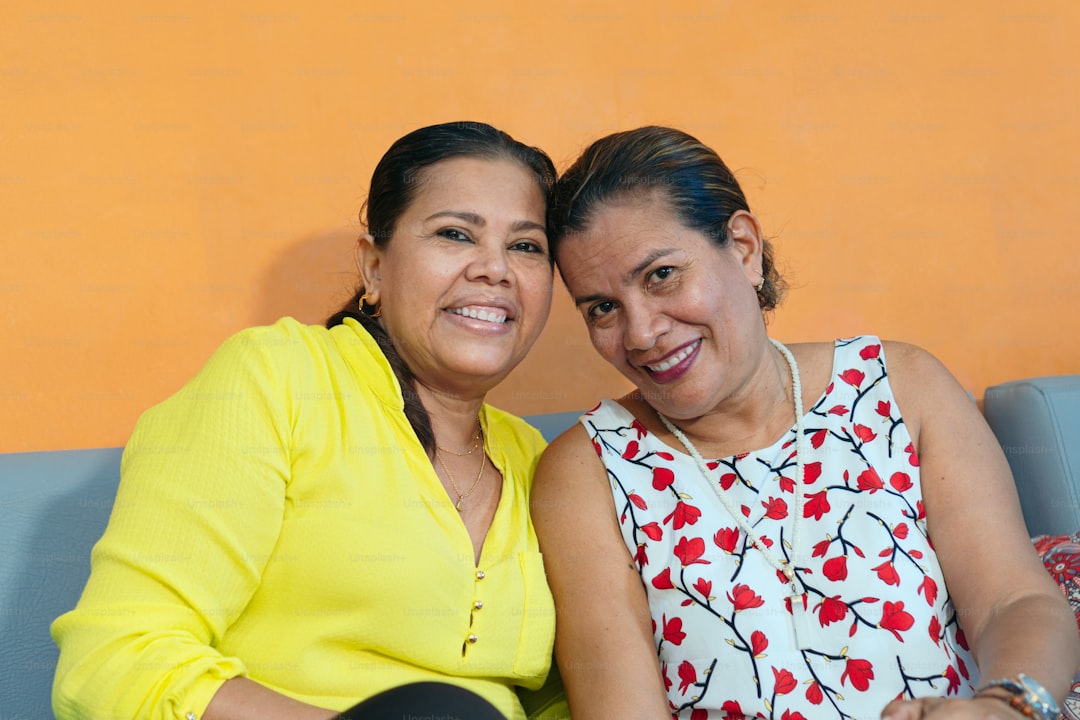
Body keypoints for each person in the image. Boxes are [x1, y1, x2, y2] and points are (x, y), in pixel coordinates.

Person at [531, 125, 1080, 720]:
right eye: (602, 308)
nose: (640, 334)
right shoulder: (587, 472)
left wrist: (1002, 707)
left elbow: (1013, 600)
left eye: (661, 274)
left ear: (743, 248)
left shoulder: (901, 386)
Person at [51, 121, 568, 720]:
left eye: (527, 246)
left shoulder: (537, 459)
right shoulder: (276, 379)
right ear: (374, 268)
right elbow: (114, 660)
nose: (494, 269)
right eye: (455, 234)